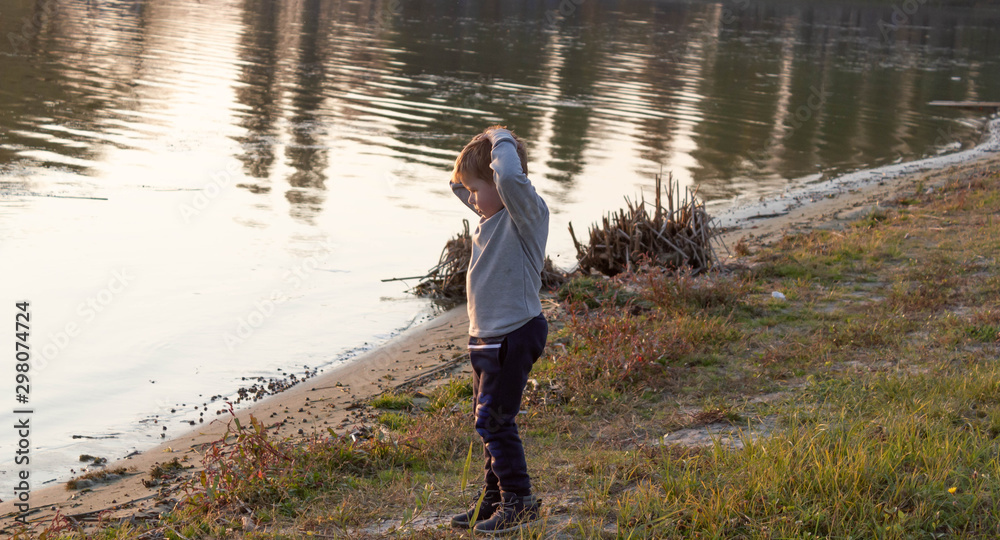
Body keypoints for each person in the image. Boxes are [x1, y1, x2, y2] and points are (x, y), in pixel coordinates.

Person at [447, 125, 549, 534]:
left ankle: (519, 502)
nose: (470, 198)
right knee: (487, 419)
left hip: (515, 333)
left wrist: (499, 137)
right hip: (485, 337)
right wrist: (474, 159)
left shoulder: (526, 215)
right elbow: (461, 186)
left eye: (476, 189)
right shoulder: (487, 216)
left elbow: (506, 178)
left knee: (495, 420)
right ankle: (494, 498)